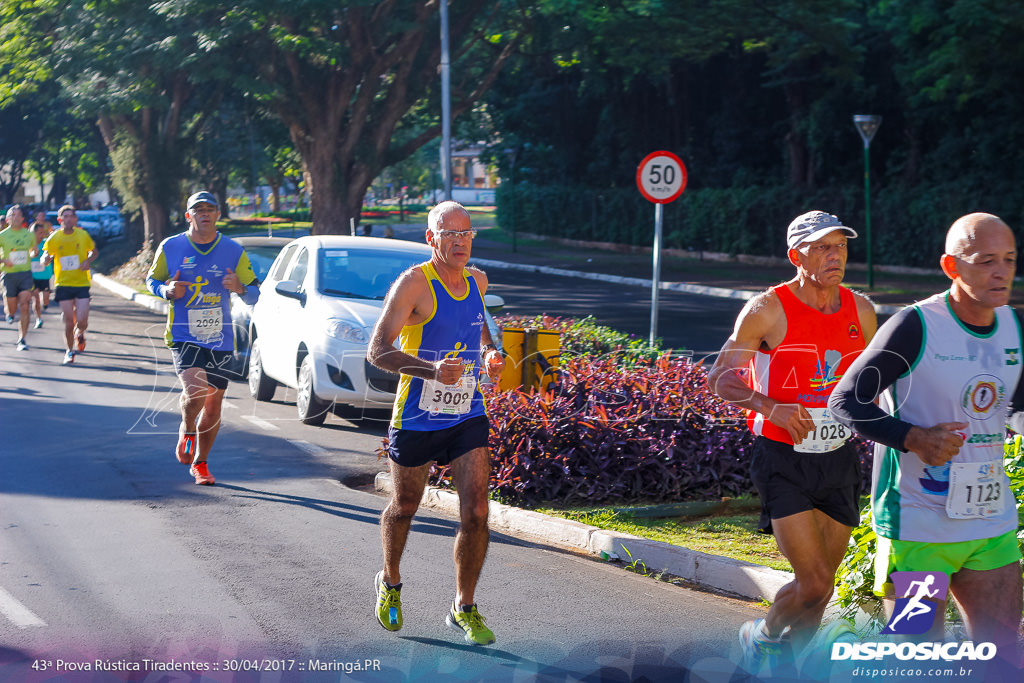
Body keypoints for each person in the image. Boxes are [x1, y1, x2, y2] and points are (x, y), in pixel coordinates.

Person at [830, 213, 1023, 673]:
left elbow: (1013, 405)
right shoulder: (914, 326)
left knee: (1002, 657)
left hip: (989, 518)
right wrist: (914, 438)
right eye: (986, 261)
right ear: (952, 266)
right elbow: (845, 400)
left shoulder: (1016, 327)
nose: (1001, 272)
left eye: (1010, 260)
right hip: (918, 523)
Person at [707, 210, 877, 674]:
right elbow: (719, 378)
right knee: (814, 577)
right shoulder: (767, 310)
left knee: (822, 588)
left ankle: (793, 668)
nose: (835, 255)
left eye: (840, 246)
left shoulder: (860, 309)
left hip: (839, 455)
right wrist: (770, 405)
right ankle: (761, 637)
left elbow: (873, 377)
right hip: (783, 458)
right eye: (822, 247)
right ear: (795, 255)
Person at [366, 200, 504, 646]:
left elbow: (482, 329)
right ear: (431, 238)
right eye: (450, 234)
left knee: (477, 511)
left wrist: (489, 354)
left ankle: (463, 607)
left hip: (467, 412)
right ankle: (389, 581)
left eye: (467, 233)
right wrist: (430, 371)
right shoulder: (412, 284)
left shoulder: (478, 281)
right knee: (405, 506)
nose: (460, 241)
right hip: (417, 416)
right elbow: (378, 351)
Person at [145, 191, 259, 486]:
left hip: (219, 336)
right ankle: (187, 428)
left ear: (218, 215)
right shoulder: (171, 246)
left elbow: (255, 292)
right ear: (189, 216)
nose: (204, 213)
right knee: (195, 391)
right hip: (184, 332)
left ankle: (201, 463)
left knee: (213, 404)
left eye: (210, 209)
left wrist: (240, 287)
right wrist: (166, 291)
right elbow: (152, 280)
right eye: (198, 209)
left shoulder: (233, 250)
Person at [41, 205, 98, 364]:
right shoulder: (55, 237)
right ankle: (69, 351)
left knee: (82, 320)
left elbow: (94, 251)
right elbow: (46, 253)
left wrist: (88, 260)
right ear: (60, 220)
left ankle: (80, 332)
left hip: (81, 283)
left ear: (75, 219)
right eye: (64, 216)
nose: (68, 219)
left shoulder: (82, 235)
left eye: (71, 216)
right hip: (63, 283)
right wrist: (45, 259)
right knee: (68, 321)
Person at [0, 204, 39, 350]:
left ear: (22, 218)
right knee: (11, 309)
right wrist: (4, 261)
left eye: (18, 215)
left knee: (24, 304)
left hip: (25, 274)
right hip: (9, 274)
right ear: (8, 219)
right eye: (13, 215)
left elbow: (32, 251)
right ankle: (9, 312)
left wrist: (34, 253)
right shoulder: (2, 236)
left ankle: (22, 339)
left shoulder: (29, 235)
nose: (16, 217)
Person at [30, 221, 54, 326]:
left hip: (45, 276)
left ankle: (45, 305)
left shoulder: (46, 243)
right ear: (33, 233)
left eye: (43, 233)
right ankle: (38, 318)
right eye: (39, 233)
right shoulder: (29, 244)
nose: (42, 235)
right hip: (33, 276)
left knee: (45, 299)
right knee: (35, 298)